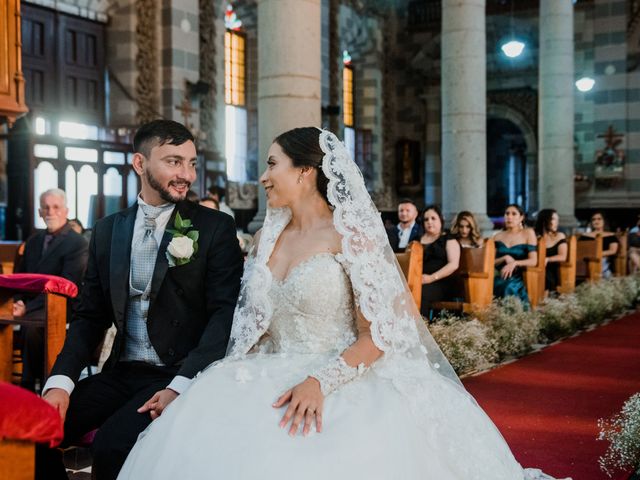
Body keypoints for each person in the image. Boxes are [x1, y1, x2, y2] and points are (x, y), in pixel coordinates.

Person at [118, 128, 558, 480]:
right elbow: (246, 327)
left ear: (306, 171)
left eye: (273, 164)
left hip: (339, 375)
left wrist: (320, 382)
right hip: (259, 372)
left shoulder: (353, 238)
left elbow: (379, 333)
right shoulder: (264, 240)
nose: (264, 177)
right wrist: (193, 385)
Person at [37, 120, 244, 480]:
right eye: (174, 162)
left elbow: (223, 316)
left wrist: (180, 385)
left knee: (111, 445)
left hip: (177, 372)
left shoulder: (214, 228)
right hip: (122, 371)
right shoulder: (107, 230)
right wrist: (60, 383)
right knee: (37, 430)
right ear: (139, 164)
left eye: (191, 163)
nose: (187, 175)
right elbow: (89, 318)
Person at [14, 189, 89, 391]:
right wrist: (19, 301)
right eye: (46, 207)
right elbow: (19, 278)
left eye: (56, 207)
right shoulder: (32, 242)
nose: (50, 212)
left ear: (66, 210)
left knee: (31, 328)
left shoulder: (78, 243)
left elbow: (66, 284)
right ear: (39, 211)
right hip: (31, 307)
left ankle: (28, 386)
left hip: (63, 305)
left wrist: (26, 308)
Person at [419, 205, 461, 317]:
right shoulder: (417, 239)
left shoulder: (448, 239)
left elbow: (453, 265)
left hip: (441, 283)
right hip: (419, 280)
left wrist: (431, 278)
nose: (429, 222)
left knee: (421, 293)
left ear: (441, 219)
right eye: (426, 219)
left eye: (433, 218)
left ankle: (422, 329)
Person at [493, 204, 537, 307]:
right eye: (507, 214)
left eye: (514, 214)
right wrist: (504, 258)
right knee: (493, 284)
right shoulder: (497, 236)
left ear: (521, 217)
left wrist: (514, 263)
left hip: (518, 276)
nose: (509, 217)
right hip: (500, 275)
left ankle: (512, 318)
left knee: (508, 287)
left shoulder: (528, 233)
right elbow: (490, 262)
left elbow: (533, 261)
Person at [534, 209, 567, 295]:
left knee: (547, 273)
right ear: (545, 219)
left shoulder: (559, 236)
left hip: (552, 269)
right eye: (554, 219)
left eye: (557, 220)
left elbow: (562, 256)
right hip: (536, 267)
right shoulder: (535, 236)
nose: (557, 222)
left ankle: (546, 298)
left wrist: (548, 259)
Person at [578, 211, 619, 278]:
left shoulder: (611, 235)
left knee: (601, 261)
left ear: (604, 221)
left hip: (604, 259)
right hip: (586, 260)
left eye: (599, 219)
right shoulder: (584, 236)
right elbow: (579, 250)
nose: (596, 221)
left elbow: (613, 250)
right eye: (593, 219)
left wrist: (597, 254)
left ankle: (601, 278)